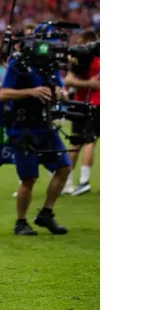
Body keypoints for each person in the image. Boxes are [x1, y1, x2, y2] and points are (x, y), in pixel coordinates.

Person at [0, 26, 72, 235]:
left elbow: (60, 89)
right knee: (29, 178)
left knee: (64, 167)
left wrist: (61, 93)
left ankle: (46, 213)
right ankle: (20, 222)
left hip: (45, 126)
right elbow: (3, 93)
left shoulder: (51, 65)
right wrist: (31, 91)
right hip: (23, 128)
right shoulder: (19, 62)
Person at [62, 29, 100, 196]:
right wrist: (89, 84)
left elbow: (69, 80)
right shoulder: (93, 59)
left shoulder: (83, 58)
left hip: (82, 103)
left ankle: (69, 182)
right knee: (88, 140)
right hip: (92, 103)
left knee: (77, 142)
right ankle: (82, 181)